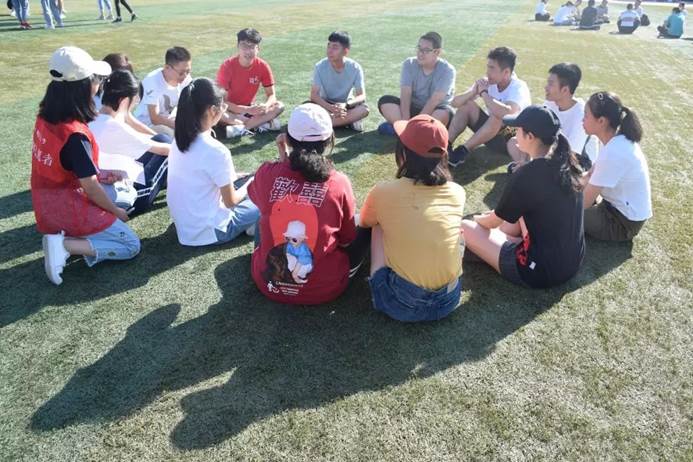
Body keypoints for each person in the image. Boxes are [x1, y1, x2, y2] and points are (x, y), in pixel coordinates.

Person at [31, 47, 140, 285]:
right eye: (95, 79)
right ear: (83, 87)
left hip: (47, 203)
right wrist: (116, 212)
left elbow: (66, 166)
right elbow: (89, 187)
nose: (98, 84)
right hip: (66, 206)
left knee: (124, 194)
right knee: (130, 244)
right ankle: (64, 245)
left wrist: (100, 174)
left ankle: (65, 238)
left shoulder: (45, 116)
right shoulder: (75, 134)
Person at [247, 103, 369, 304]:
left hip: (268, 284)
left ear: (287, 139)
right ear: (330, 139)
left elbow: (261, 196)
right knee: (367, 225)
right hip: (324, 289)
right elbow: (347, 240)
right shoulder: (338, 183)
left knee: (265, 213)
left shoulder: (266, 173)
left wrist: (282, 158)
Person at [461, 105, 585, 289]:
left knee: (465, 227)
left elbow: (492, 222)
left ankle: (491, 246)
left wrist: (476, 219)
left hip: (537, 272)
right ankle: (502, 242)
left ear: (530, 137)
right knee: (515, 219)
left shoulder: (528, 174)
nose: (514, 133)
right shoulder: (569, 165)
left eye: (518, 129)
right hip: (571, 264)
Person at [360, 115, 465, 321]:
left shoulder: (383, 192)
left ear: (403, 152)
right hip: (449, 300)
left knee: (377, 225)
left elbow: (364, 222)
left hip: (402, 303)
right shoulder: (457, 191)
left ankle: (378, 283)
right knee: (457, 229)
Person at [167, 78, 259, 246]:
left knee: (242, 180)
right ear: (213, 110)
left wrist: (239, 178)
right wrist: (252, 182)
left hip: (185, 226)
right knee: (267, 195)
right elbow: (231, 201)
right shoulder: (216, 150)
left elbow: (199, 177)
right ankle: (251, 225)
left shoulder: (179, 141)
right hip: (211, 230)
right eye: (223, 107)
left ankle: (250, 222)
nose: (224, 110)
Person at [89, 70, 171, 215]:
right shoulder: (115, 127)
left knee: (161, 138)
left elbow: (132, 122)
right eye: (135, 100)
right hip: (127, 196)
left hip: (107, 182)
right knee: (170, 153)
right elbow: (165, 150)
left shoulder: (95, 116)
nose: (135, 104)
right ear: (124, 100)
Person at [582, 92, 651, 241]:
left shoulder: (614, 151)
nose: (582, 119)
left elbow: (584, 202)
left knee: (565, 212)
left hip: (622, 223)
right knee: (567, 199)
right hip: (612, 208)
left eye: (586, 115)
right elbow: (589, 176)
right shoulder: (614, 140)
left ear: (601, 121)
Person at [447, 47, 531, 167]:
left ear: (506, 72)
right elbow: (455, 103)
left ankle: (462, 151)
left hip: (511, 139)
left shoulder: (519, 87)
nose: (487, 72)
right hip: (489, 134)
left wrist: (484, 93)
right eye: (488, 67)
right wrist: (473, 92)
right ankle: (445, 145)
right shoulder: (488, 82)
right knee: (467, 105)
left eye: (492, 68)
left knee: (498, 115)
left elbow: (507, 112)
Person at [508, 63, 597, 172]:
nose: (546, 87)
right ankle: (525, 167)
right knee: (514, 142)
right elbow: (533, 130)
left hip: (576, 162)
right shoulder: (550, 103)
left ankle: (529, 170)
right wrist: (524, 159)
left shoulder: (581, 114)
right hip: (552, 152)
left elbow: (570, 154)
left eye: (550, 84)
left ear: (565, 90)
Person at [377, 31, 456, 136]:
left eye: (426, 50)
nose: (420, 53)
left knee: (444, 113)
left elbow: (434, 101)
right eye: (419, 48)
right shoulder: (409, 63)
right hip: (413, 107)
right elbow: (405, 93)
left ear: (437, 52)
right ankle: (411, 131)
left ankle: (402, 130)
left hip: (434, 111)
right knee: (385, 101)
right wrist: (405, 119)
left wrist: (415, 123)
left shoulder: (448, 70)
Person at [216, 28, 285, 137]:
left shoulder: (263, 66)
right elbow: (222, 101)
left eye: (252, 46)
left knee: (279, 106)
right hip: (230, 110)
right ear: (238, 46)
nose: (248, 51)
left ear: (258, 49)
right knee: (216, 110)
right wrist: (247, 109)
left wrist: (265, 106)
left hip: (249, 110)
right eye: (244, 46)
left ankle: (242, 128)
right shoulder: (227, 66)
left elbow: (271, 94)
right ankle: (258, 124)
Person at [310, 31, 369, 131]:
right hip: (325, 104)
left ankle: (323, 122)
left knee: (364, 109)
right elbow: (314, 95)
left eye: (335, 47)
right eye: (328, 46)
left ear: (345, 51)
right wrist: (331, 108)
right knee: (307, 106)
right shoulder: (320, 66)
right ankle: (346, 120)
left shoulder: (355, 67)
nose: (329, 51)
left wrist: (346, 105)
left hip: (346, 105)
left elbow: (361, 96)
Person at [135, 46, 192, 137]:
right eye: (181, 73)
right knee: (178, 137)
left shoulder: (185, 79)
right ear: (167, 67)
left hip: (170, 120)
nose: (185, 76)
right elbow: (155, 119)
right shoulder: (152, 82)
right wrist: (181, 126)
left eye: (188, 71)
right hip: (148, 125)